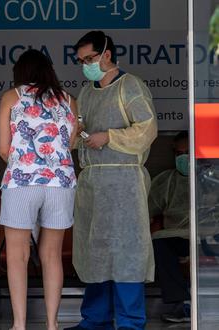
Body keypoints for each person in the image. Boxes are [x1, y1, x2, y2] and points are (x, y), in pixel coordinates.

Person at [65, 31, 158, 330]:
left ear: (106, 54)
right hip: (93, 185)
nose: (86, 65)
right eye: (81, 61)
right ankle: (94, 320)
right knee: (96, 253)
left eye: (89, 59)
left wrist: (110, 137)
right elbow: (79, 131)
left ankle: (130, 322)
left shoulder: (130, 87)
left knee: (126, 253)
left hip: (124, 184)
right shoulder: (87, 92)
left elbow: (147, 129)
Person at [0, 49, 78, 330]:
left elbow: (3, 148)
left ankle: (19, 324)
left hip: (22, 182)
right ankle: (52, 324)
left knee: (18, 256)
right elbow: (70, 145)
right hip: (61, 183)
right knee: (52, 255)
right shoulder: (69, 99)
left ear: (19, 72)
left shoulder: (12, 97)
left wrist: (26, 163)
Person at [149, 131, 191, 323]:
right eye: (179, 154)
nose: (183, 158)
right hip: (176, 237)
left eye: (188, 152)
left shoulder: (211, 176)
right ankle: (181, 303)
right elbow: (149, 209)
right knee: (160, 244)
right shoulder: (166, 181)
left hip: (209, 235)